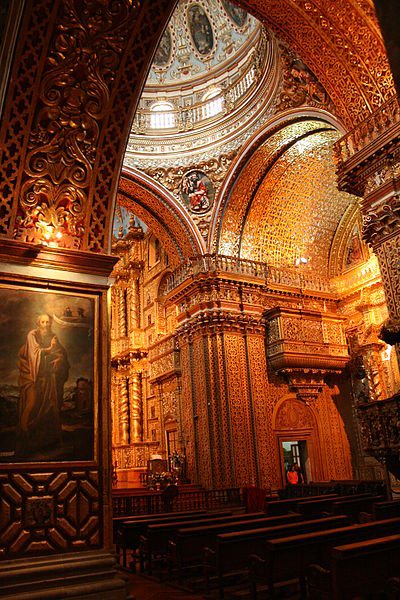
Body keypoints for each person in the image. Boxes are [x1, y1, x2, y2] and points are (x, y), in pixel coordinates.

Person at [17, 313, 69, 456]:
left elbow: (61, 354)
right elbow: (34, 354)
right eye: (43, 322)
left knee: (50, 404)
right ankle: (25, 431)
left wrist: (59, 360)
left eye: (48, 322)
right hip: (31, 375)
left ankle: (46, 438)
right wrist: (49, 350)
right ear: (38, 323)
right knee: (32, 402)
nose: (46, 325)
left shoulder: (53, 337)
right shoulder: (32, 335)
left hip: (48, 377)